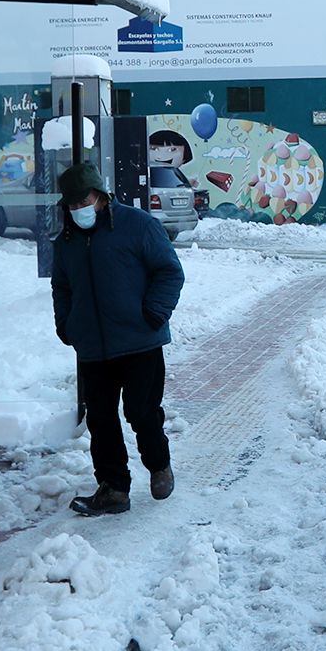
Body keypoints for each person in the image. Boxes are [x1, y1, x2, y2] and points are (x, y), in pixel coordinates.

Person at [50, 161, 184, 516]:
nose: (80, 209)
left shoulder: (138, 226)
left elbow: (169, 272)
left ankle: (158, 465)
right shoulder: (66, 241)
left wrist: (153, 313)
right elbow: (61, 286)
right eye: (73, 204)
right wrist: (66, 324)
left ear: (102, 196)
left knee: (141, 412)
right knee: (101, 419)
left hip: (140, 341)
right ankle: (113, 489)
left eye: (85, 201)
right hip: (93, 346)